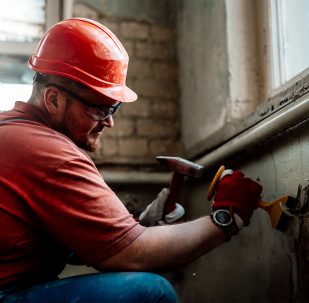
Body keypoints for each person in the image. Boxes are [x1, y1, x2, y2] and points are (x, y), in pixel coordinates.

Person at [0, 18, 262, 303]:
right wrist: (226, 218)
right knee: (150, 292)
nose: (109, 122)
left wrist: (135, 226)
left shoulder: (13, 132)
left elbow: (50, 241)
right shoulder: (47, 151)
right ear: (53, 100)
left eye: (115, 108)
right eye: (100, 109)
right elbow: (131, 255)